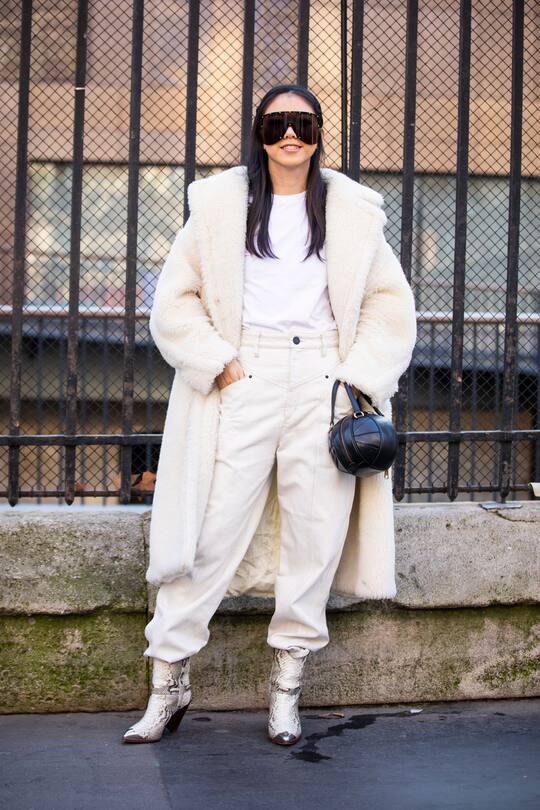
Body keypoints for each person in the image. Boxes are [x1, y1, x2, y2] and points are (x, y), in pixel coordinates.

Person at [122, 83, 417, 746]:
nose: (291, 135)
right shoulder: (222, 204)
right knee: (209, 530)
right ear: (260, 133)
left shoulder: (349, 209)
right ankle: (167, 685)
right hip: (244, 370)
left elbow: (389, 305)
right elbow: (176, 299)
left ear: (318, 134)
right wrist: (219, 362)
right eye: (279, 123)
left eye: (304, 125)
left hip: (322, 375)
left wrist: (358, 375)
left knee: (314, 535)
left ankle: (286, 693)